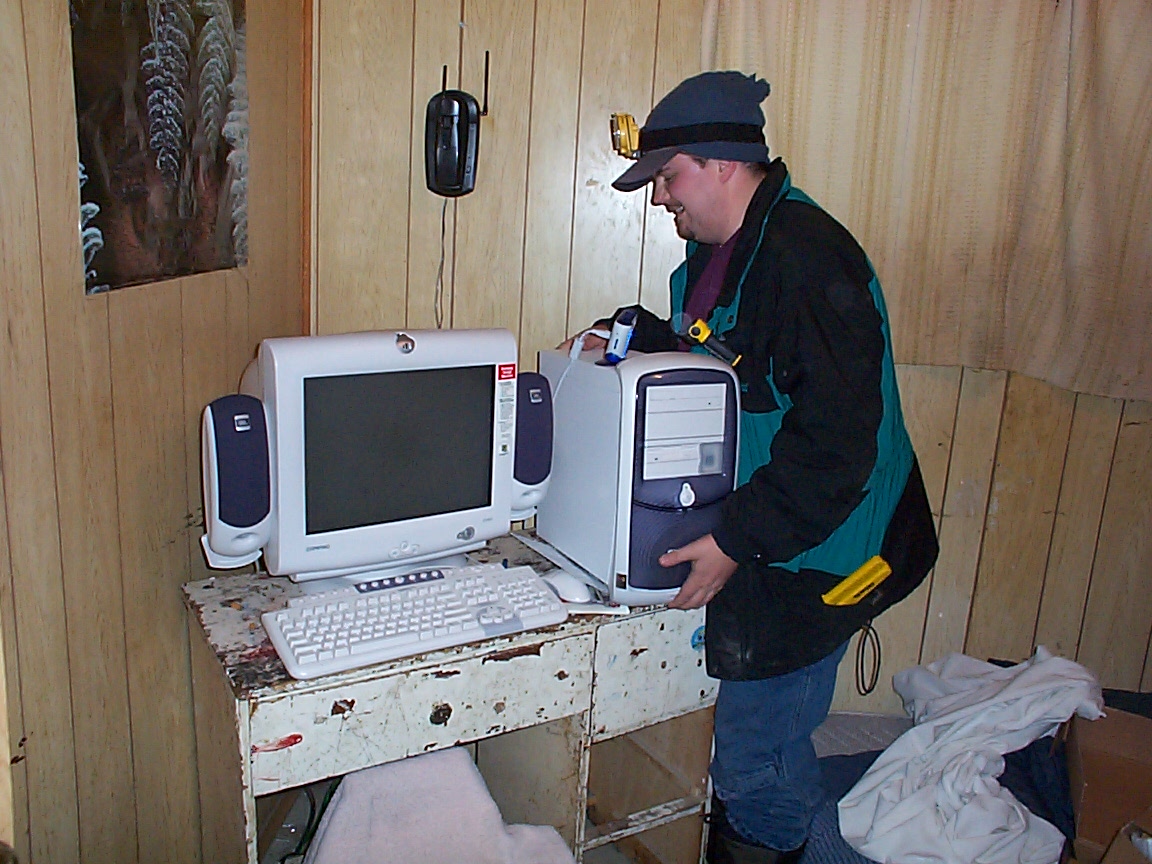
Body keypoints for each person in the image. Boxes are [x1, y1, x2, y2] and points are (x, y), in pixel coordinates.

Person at [564, 71, 938, 863]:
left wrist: (734, 538)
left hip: (836, 546)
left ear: (723, 164)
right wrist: (628, 333)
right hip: (781, 521)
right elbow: (726, 357)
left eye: (669, 177)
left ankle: (781, 840)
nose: (661, 197)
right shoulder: (723, 253)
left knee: (755, 757)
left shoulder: (808, 261)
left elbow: (836, 448)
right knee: (753, 735)